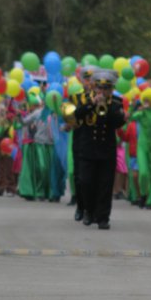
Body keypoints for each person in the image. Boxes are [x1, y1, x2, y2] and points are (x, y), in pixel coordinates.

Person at [73, 70, 126, 229]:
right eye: (99, 88)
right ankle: (88, 210)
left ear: (111, 89)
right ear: (94, 88)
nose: (102, 92)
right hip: (87, 149)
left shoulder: (116, 102)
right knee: (86, 182)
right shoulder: (84, 100)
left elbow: (118, 123)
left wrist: (106, 107)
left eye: (106, 89)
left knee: (105, 185)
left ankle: (103, 218)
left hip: (106, 150)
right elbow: (77, 115)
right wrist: (92, 104)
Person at [67, 65, 98, 220]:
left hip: (96, 140)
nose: (89, 82)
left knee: (94, 177)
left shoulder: (101, 96)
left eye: (91, 79)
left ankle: (92, 208)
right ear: (81, 79)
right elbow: (70, 119)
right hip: (80, 139)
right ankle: (81, 207)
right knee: (79, 176)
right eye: (86, 78)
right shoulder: (76, 97)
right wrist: (69, 122)